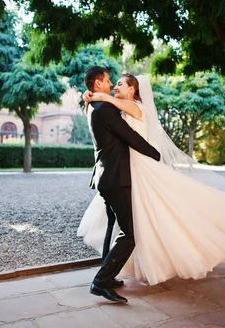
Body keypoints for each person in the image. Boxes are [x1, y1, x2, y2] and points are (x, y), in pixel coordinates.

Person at [78, 73, 225, 288]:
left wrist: (97, 96)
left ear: (133, 90)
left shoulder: (133, 107)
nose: (115, 86)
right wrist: (90, 95)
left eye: (119, 84)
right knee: (122, 224)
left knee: (154, 213)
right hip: (124, 171)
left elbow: (125, 128)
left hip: (136, 166)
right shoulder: (115, 107)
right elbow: (109, 118)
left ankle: (107, 276)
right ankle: (107, 275)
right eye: (112, 83)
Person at [83, 67, 161, 303]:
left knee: (113, 228)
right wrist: (155, 155)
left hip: (107, 177)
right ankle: (101, 281)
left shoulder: (93, 105)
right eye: (108, 81)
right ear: (97, 83)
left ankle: (109, 276)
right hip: (115, 177)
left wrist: (87, 95)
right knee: (129, 233)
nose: (111, 85)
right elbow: (129, 135)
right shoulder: (105, 107)